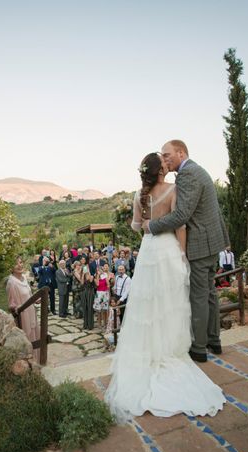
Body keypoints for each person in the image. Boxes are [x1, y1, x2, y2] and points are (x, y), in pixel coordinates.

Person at [105, 152, 225, 423]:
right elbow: (180, 225)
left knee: (148, 303)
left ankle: (149, 350)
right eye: (164, 162)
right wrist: (182, 255)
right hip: (169, 249)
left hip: (148, 250)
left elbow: (137, 226)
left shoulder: (139, 195)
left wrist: (144, 223)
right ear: (161, 171)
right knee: (171, 302)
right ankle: (171, 349)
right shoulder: (174, 189)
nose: (168, 164)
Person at [143, 140, 230, 363]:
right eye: (162, 156)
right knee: (210, 292)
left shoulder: (188, 175)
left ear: (181, 153)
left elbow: (181, 216)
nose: (164, 159)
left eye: (167, 154)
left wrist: (151, 226)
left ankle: (199, 348)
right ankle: (214, 340)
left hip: (201, 244)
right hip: (212, 242)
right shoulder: (196, 170)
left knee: (199, 295)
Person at [6, 256, 40, 362]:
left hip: (31, 312)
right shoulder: (11, 283)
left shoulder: (24, 278)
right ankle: (29, 363)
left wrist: (35, 300)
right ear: (11, 268)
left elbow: (28, 295)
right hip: (23, 316)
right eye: (16, 264)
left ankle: (37, 360)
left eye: (20, 262)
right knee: (28, 338)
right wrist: (18, 307)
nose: (20, 265)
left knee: (35, 335)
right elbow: (11, 305)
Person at [93, 263, 111, 328]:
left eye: (100, 270)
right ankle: (99, 323)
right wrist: (97, 275)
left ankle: (105, 323)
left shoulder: (105, 275)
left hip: (105, 293)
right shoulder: (95, 277)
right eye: (98, 270)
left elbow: (108, 284)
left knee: (105, 310)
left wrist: (108, 286)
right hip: (99, 294)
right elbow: (97, 284)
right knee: (99, 310)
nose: (100, 271)